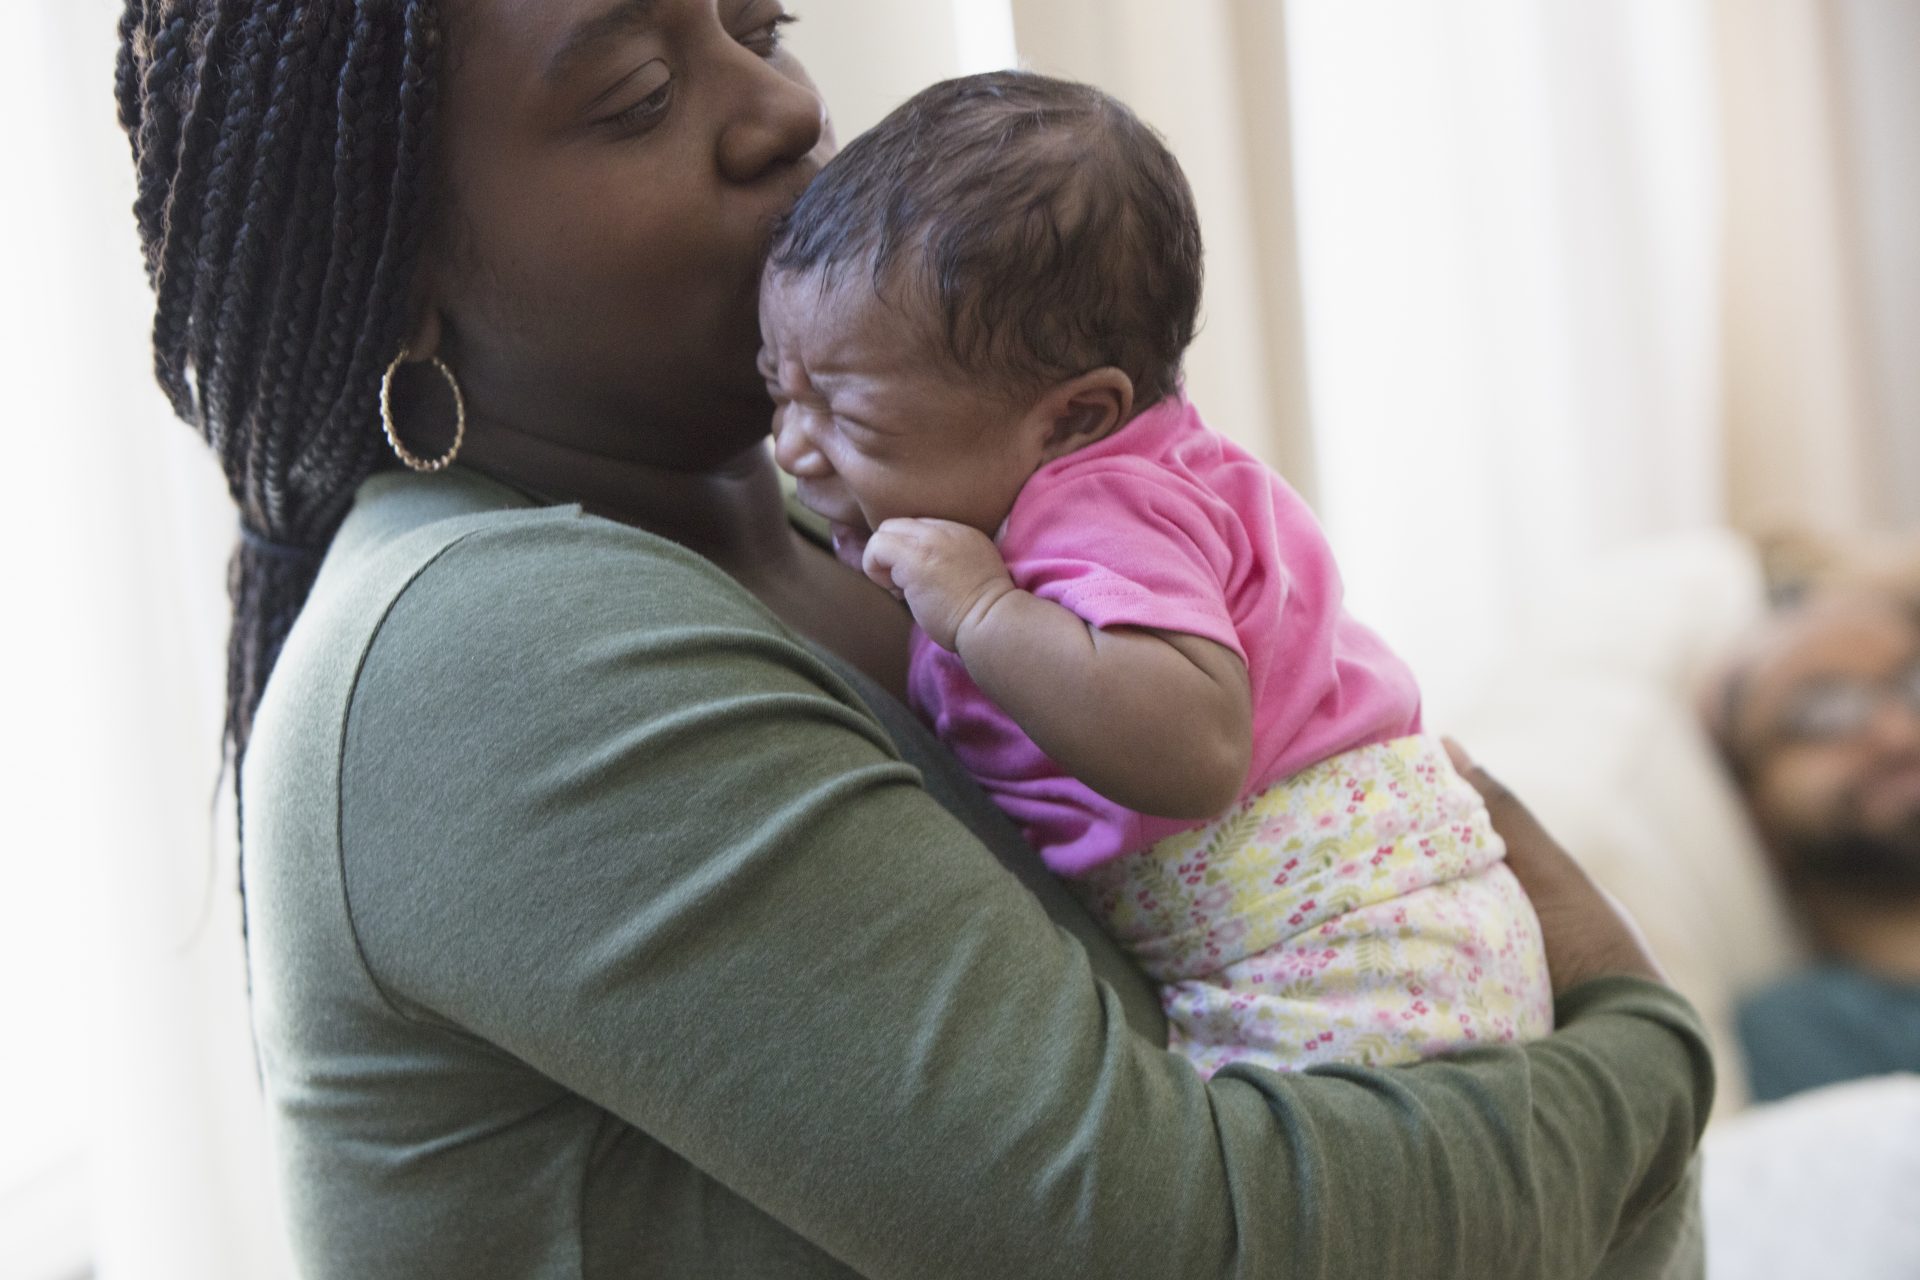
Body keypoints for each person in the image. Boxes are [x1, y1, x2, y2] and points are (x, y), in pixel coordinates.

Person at [116, 1, 1710, 1276]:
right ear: (388, 277)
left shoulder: (865, 525)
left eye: (760, 20)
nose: (783, 110)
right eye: (634, 95)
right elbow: (1174, 1239)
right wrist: (1642, 1057)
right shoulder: (489, 649)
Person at [760, 72, 1550, 1077]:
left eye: (851, 418)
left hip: (1356, 952)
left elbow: (1196, 747)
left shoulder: (1107, 504)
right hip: (1325, 946)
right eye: (773, 387)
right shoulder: (1055, 495)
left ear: (1074, 417)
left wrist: (984, 609)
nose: (793, 445)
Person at [1710, 589, 1920, 1104]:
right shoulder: (1804, 1035)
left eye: (1914, 686)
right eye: (1821, 713)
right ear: (1753, 804)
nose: (1897, 733)